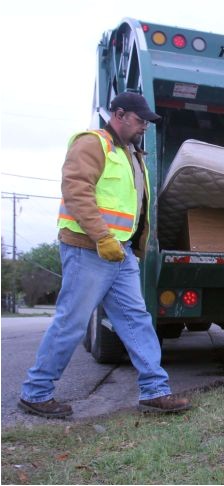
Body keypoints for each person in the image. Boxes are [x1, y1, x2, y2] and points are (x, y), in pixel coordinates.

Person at [18, 92, 191, 418]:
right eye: (140, 121)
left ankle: (155, 391)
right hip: (89, 248)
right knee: (72, 322)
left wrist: (127, 245)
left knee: (137, 321)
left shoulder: (129, 153)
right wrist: (102, 237)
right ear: (119, 114)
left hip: (119, 252)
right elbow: (76, 191)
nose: (143, 127)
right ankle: (36, 393)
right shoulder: (92, 144)